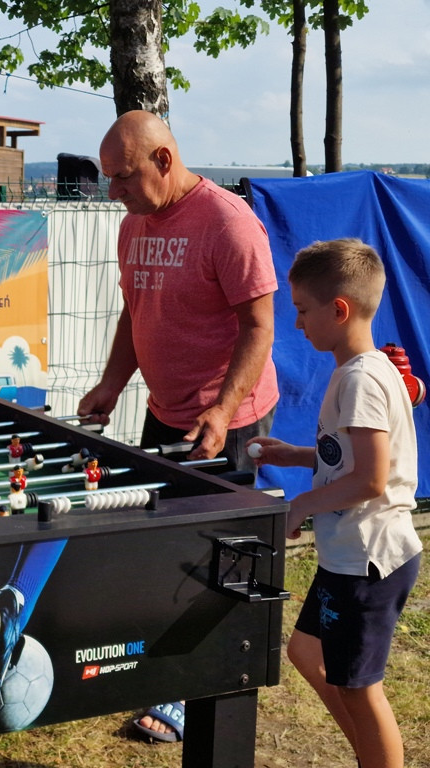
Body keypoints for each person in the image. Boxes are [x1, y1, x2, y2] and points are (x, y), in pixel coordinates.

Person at [76, 110, 279, 742]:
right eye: (108, 179)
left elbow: (259, 327)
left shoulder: (228, 222)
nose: (115, 193)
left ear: (163, 160)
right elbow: (135, 312)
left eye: (123, 177)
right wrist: (112, 383)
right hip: (164, 412)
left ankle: (203, 690)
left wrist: (221, 408)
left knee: (216, 558)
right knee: (160, 546)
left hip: (231, 421)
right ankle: (165, 671)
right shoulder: (135, 224)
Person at [250, 239, 421, 768]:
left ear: (339, 310)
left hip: (368, 562)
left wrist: (302, 506)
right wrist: (298, 454)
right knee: (306, 653)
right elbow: (349, 459)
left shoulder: (363, 379)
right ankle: (370, 753)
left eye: (302, 310)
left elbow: (371, 479)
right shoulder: (358, 370)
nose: (297, 323)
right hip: (346, 557)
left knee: (360, 690)